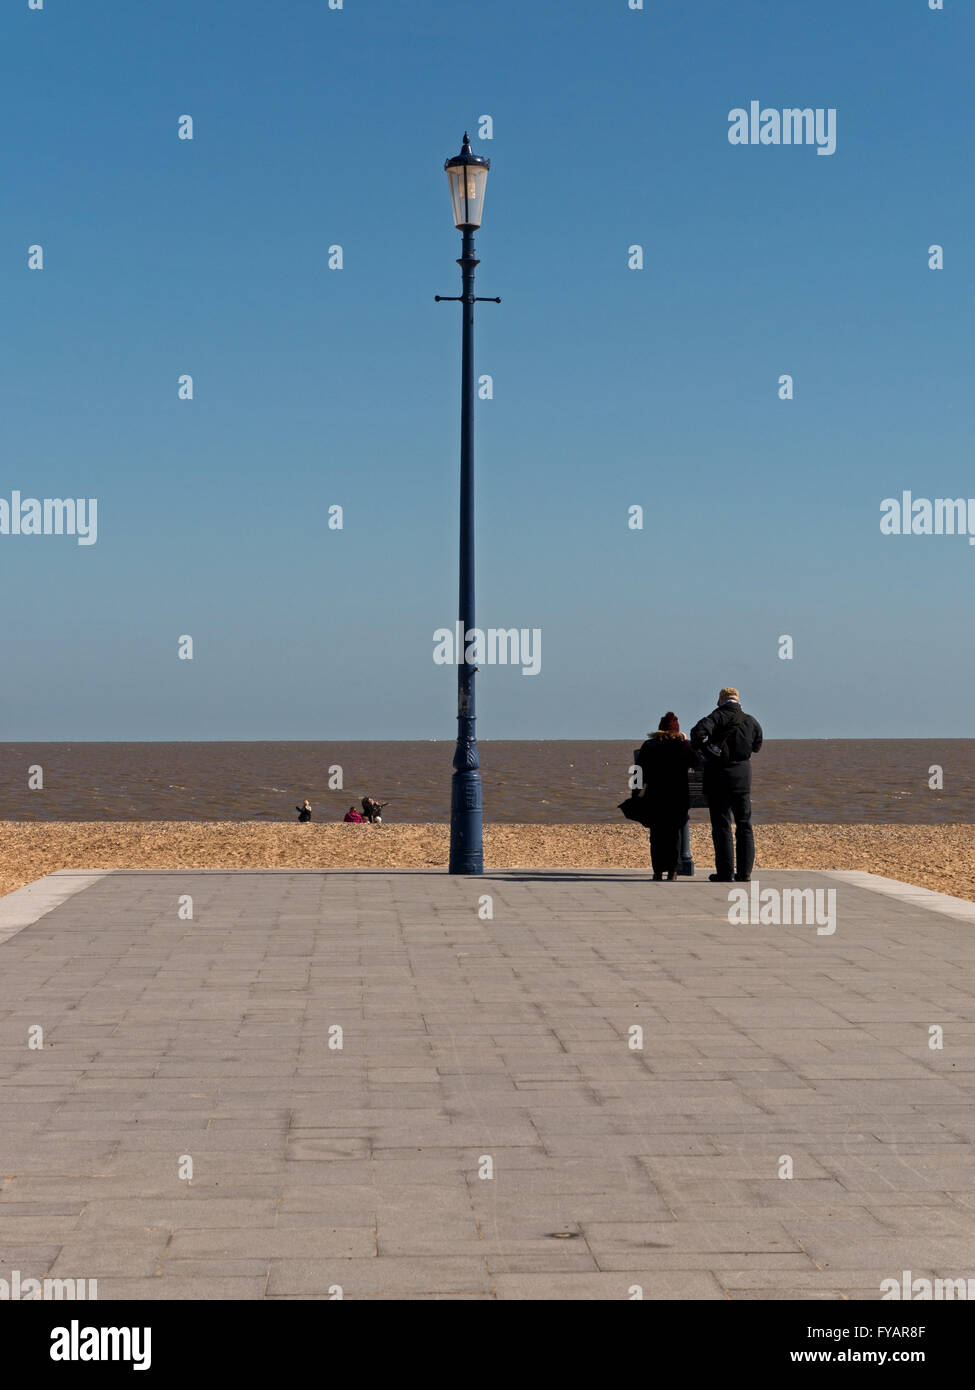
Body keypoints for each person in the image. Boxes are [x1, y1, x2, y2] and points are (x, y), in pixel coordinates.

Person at [690, 687, 763, 883]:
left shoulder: (715, 717)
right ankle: (745, 873)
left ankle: (725, 872)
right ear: (738, 700)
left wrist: (707, 749)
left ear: (721, 700)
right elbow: (757, 746)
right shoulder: (751, 721)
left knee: (722, 825)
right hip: (742, 778)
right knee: (744, 825)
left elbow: (696, 734)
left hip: (718, 777)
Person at [635, 713, 702, 881]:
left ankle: (657, 871)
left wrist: (636, 793)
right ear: (677, 730)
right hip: (677, 795)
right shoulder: (683, 745)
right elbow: (698, 762)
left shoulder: (649, 745)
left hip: (655, 795)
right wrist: (687, 741)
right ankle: (672, 871)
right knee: (674, 834)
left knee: (656, 835)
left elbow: (638, 771)